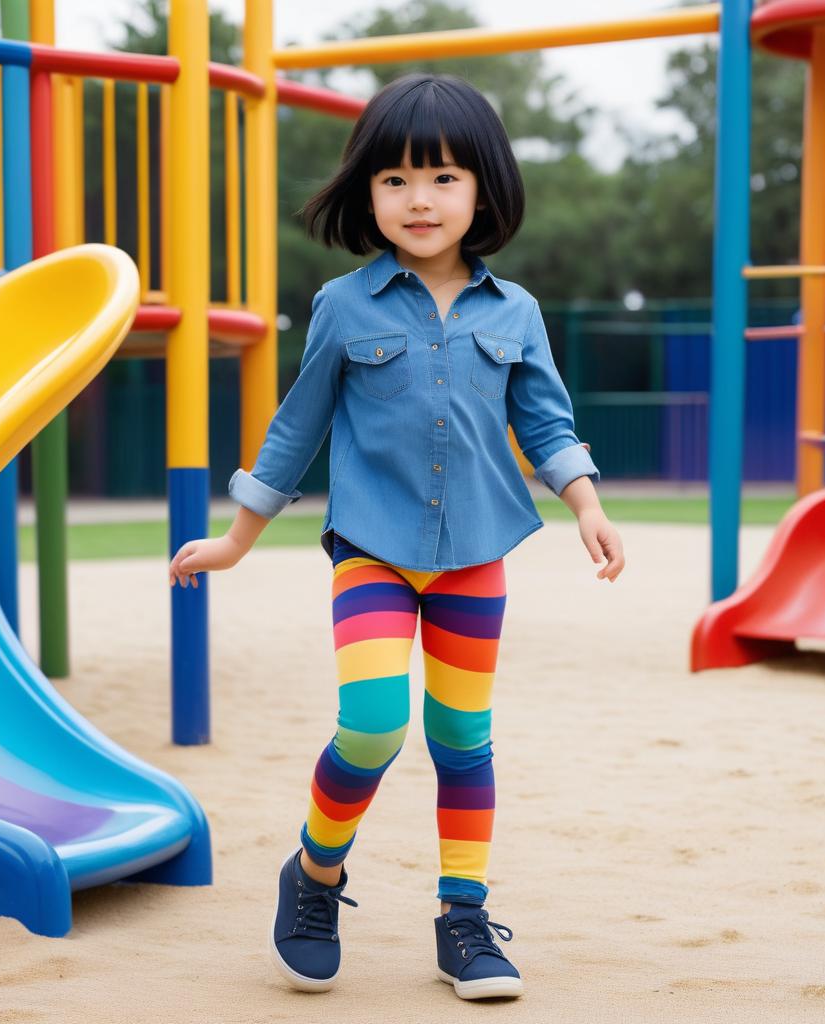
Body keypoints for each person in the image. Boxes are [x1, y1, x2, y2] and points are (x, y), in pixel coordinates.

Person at [169, 71, 625, 1000]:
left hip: (476, 558)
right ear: (366, 192)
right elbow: (295, 430)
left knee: (463, 741)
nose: (419, 199)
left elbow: (546, 424)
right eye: (396, 179)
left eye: (445, 177)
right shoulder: (343, 305)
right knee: (373, 724)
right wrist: (234, 540)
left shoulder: (517, 312)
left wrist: (585, 502)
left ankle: (464, 918)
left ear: (485, 191)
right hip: (371, 550)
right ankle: (316, 877)